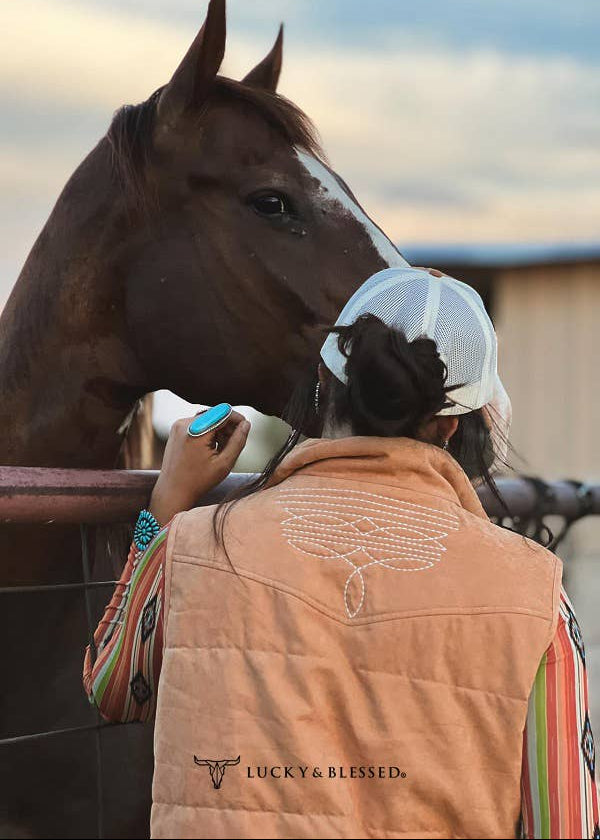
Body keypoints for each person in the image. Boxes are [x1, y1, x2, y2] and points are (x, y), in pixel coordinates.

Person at [84, 267, 599, 839]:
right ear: (453, 427)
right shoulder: (534, 595)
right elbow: (567, 824)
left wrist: (167, 506)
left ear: (325, 385)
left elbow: (115, 687)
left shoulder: (199, 542)